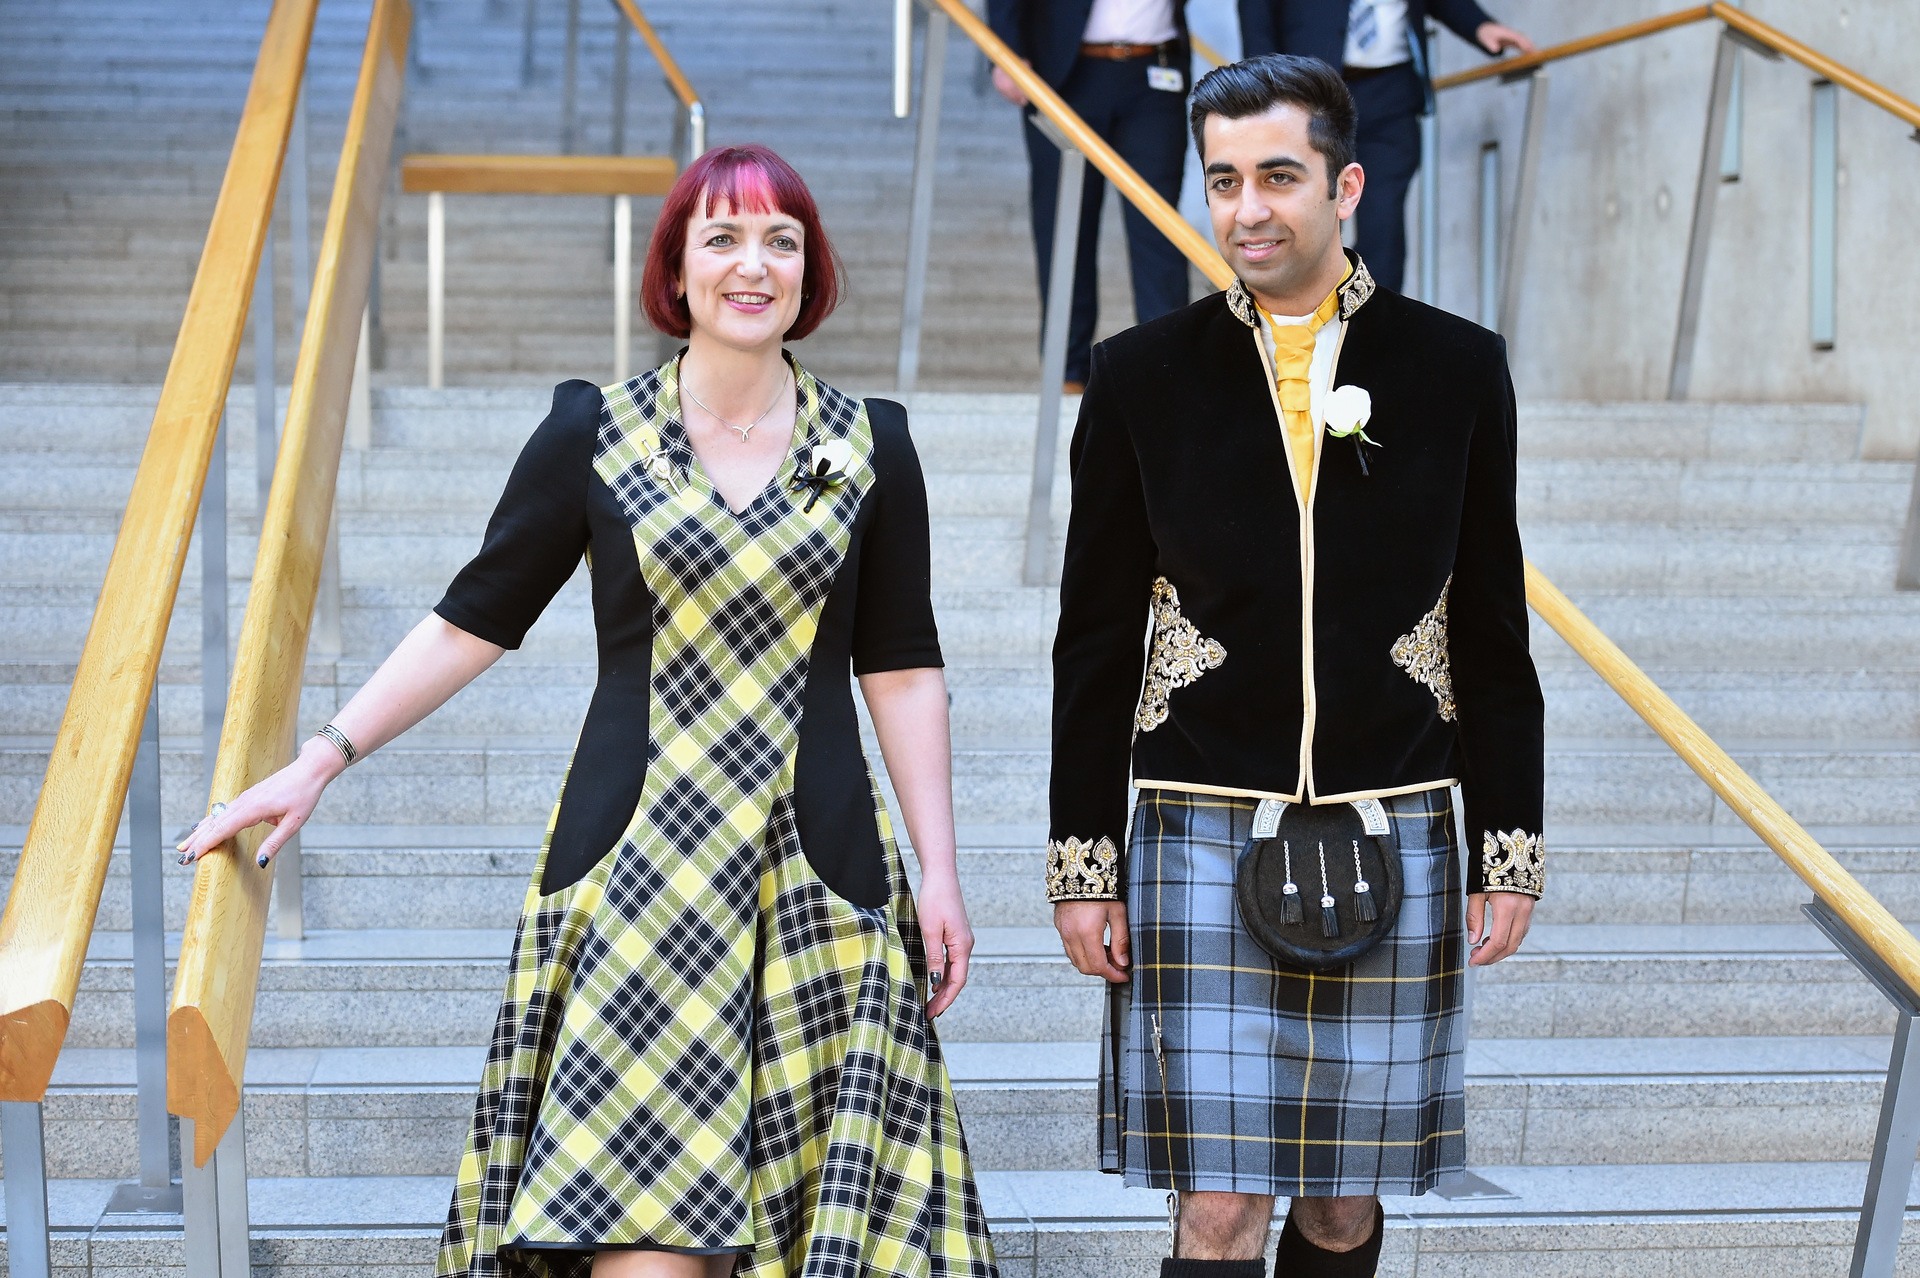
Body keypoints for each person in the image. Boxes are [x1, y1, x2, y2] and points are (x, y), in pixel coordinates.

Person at [178, 144, 999, 1278]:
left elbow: (900, 661)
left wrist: (940, 871)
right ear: (676, 267)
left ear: (811, 274)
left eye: (781, 241)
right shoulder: (592, 432)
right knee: (641, 1255)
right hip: (635, 880)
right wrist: (320, 757)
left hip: (822, 875)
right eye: (722, 237)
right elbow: (476, 616)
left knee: (826, 1243)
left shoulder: (874, 445)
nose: (752, 265)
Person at [1044, 56, 1544, 1277]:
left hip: (1396, 818)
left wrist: (1509, 847)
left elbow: (1489, 625)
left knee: (1339, 1205)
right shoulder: (1138, 376)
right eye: (1223, 181)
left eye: (1278, 175)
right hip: (1199, 826)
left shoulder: (1455, 368)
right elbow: (1095, 639)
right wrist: (1081, 863)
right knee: (1218, 1205)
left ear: (1348, 184)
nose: (1248, 208)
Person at [1237, 0, 1535, 292]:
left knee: (1384, 224)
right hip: (1308, 94)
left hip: (1391, 92)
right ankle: (1304, 322)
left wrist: (1479, 25)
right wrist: (1264, 86)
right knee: (1307, 218)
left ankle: (1370, 329)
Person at [986, 0, 1194, 392]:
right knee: (1064, 227)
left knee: (1159, 230)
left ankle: (1170, 371)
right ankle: (1067, 373)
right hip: (1064, 74)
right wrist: (1006, 52)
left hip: (1155, 72)